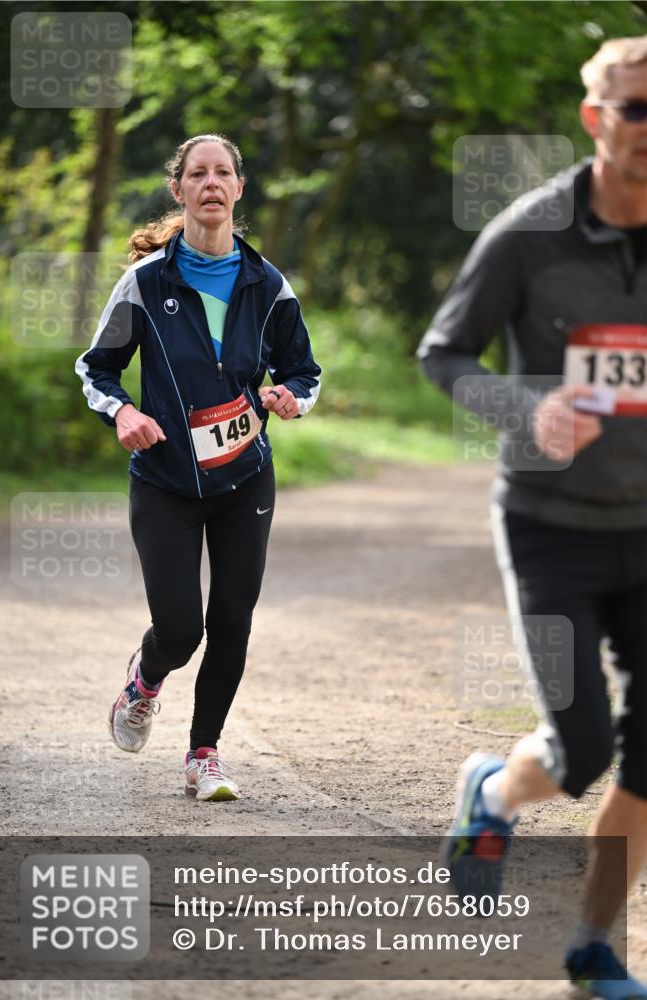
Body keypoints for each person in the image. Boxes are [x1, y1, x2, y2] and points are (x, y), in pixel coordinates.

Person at [418, 38, 647, 1000]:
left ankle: (595, 943)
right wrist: (528, 409)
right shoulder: (528, 232)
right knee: (581, 749)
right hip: (549, 525)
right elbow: (445, 352)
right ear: (596, 121)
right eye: (636, 110)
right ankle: (493, 794)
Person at [75, 134, 321, 802]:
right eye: (196, 173)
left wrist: (289, 398)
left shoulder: (266, 283)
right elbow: (96, 368)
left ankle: (203, 754)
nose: (210, 182)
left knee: (233, 621)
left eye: (222, 173)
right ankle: (144, 682)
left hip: (245, 478)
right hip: (164, 482)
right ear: (178, 189)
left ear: (238, 189)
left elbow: (304, 370)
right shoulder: (147, 282)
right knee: (182, 627)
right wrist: (122, 414)